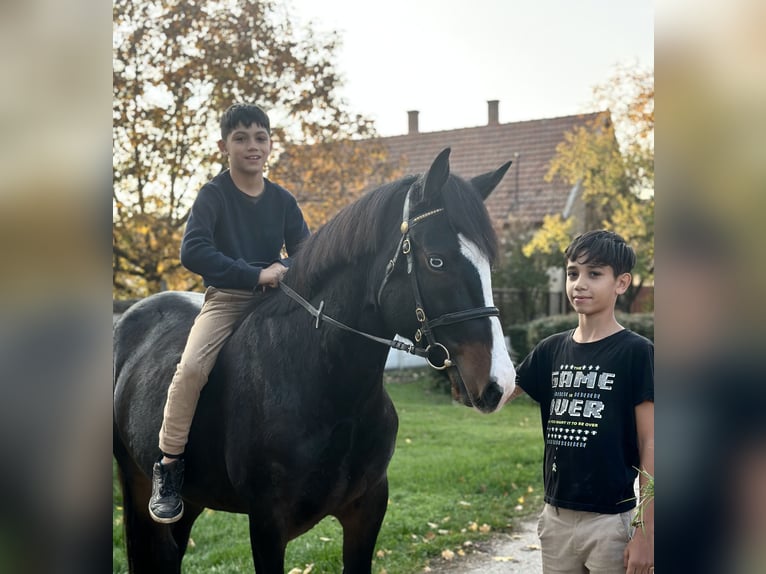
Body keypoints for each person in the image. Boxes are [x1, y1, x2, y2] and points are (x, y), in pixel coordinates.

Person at [148, 103, 311, 524]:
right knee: (191, 370)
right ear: (224, 145)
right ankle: (168, 466)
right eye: (241, 138)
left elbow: (306, 254)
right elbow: (193, 251)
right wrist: (255, 274)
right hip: (227, 299)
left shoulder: (283, 200)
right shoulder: (213, 196)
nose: (252, 146)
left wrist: (284, 272)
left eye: (260, 137)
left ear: (270, 144)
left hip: (277, 299)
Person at [505, 230, 654, 573]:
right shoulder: (550, 350)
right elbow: (494, 395)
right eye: (573, 273)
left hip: (610, 523)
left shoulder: (636, 353)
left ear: (621, 283)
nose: (579, 284)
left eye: (594, 274)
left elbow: (652, 442)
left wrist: (646, 532)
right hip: (555, 520)